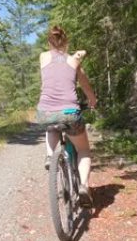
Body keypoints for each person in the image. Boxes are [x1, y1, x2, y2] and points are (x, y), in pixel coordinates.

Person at [37, 25, 97, 206]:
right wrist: (92, 100)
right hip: (70, 113)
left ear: (49, 42)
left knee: (51, 123)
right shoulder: (74, 61)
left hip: (45, 112)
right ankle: (84, 186)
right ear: (67, 42)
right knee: (84, 150)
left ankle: (50, 155)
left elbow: (55, 65)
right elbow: (85, 85)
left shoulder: (43, 57)